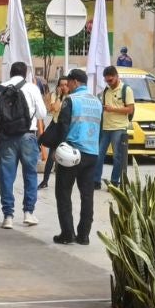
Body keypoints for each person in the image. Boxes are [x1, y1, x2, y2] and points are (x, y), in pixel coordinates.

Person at [0, 61, 48, 230]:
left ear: (10, 72)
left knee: (6, 176)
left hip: (6, 139)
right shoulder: (31, 88)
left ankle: (8, 216)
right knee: (30, 175)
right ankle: (28, 213)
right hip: (28, 137)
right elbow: (43, 113)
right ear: (26, 73)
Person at [51, 69, 101, 245]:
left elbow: (63, 126)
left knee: (63, 193)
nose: (68, 86)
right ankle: (84, 235)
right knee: (87, 195)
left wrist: (58, 149)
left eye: (69, 83)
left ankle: (67, 234)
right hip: (92, 153)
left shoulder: (71, 100)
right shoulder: (97, 101)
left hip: (72, 153)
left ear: (74, 82)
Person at [96, 66, 136, 189]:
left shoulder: (126, 90)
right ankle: (95, 180)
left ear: (117, 76)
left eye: (111, 80)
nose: (109, 83)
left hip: (119, 128)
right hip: (105, 127)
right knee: (98, 155)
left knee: (117, 157)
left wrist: (112, 109)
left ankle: (114, 182)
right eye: (106, 81)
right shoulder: (106, 91)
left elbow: (130, 109)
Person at [38, 74, 70, 190]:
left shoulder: (72, 97)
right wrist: (60, 96)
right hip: (57, 127)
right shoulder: (56, 96)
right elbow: (54, 109)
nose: (64, 87)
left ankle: (64, 181)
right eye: (61, 85)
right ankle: (45, 180)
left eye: (66, 85)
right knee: (52, 155)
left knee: (66, 156)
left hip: (68, 129)